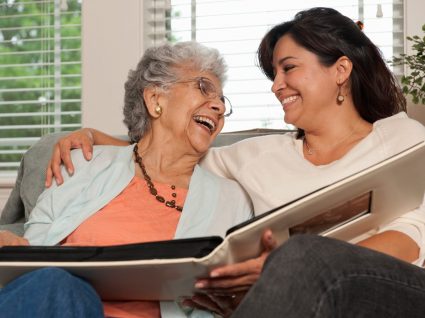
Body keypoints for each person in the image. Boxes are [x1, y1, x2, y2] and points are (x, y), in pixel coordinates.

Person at [45, 7, 425, 317]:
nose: (276, 85)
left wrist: (285, 268)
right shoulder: (256, 157)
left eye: (288, 68)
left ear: (341, 70)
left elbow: (412, 236)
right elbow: (169, 149)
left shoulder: (404, 137)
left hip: (396, 292)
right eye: (273, 73)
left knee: (300, 254)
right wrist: (97, 138)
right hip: (296, 301)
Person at [0, 41, 258, 318]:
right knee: (56, 285)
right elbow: (32, 259)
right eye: (204, 88)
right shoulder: (82, 165)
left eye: (222, 100)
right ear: (155, 99)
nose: (218, 106)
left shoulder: (232, 200)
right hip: (58, 303)